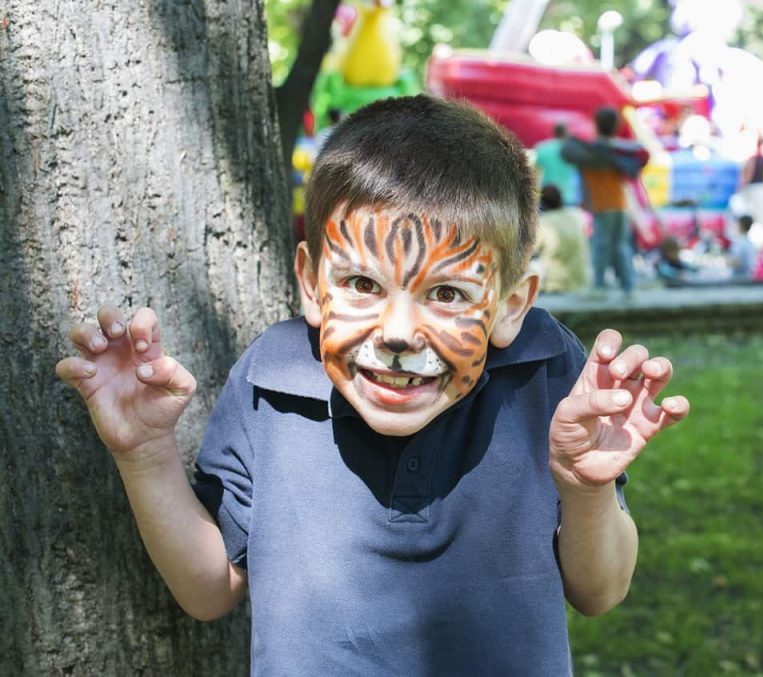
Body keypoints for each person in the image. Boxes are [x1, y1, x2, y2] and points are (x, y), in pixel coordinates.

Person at [56, 95, 689, 675]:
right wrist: (143, 453)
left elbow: (601, 591)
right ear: (311, 283)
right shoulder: (272, 378)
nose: (398, 332)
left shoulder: (545, 372)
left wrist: (585, 487)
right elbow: (208, 589)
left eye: (446, 294)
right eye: (362, 285)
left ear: (510, 305)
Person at [561, 106, 649, 300]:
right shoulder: (621, 151)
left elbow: (567, 151)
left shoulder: (589, 150)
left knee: (601, 246)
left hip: (602, 205)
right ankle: (629, 289)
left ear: (597, 124)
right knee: (621, 247)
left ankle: (599, 288)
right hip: (621, 204)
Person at [533, 183, 590, 292]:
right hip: (581, 282)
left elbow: (529, 252)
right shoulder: (577, 216)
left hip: (556, 285)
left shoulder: (544, 222)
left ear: (542, 203)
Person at [738, 133, 763, 248]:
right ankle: (762, 244)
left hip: (754, 191)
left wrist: (740, 190)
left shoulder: (753, 159)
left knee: (754, 217)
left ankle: (755, 244)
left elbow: (747, 177)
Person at [532, 123, 581, 207]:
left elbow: (534, 174)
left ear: (554, 133)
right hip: (570, 196)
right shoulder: (574, 149)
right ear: (566, 133)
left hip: (548, 196)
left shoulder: (542, 148)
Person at [728, 214, 758, 279]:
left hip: (739, 280)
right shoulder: (751, 243)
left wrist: (727, 261)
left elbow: (735, 262)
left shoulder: (740, 243)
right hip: (749, 278)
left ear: (741, 225)